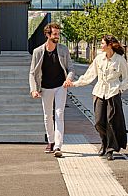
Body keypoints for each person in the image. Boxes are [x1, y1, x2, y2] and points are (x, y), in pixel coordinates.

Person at [66, 35, 128, 161]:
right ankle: (104, 141)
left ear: (109, 45)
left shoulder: (120, 60)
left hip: (113, 94)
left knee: (111, 121)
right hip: (99, 92)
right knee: (98, 122)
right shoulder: (99, 59)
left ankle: (110, 149)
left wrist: (119, 89)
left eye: (102, 43)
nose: (101, 45)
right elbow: (89, 75)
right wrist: (74, 83)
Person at [29, 22, 74, 158]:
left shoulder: (63, 49)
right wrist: (33, 89)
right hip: (45, 87)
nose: (57, 36)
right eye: (55, 34)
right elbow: (32, 73)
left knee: (59, 114)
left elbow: (71, 68)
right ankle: (51, 141)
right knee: (48, 116)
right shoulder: (38, 52)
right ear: (47, 35)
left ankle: (58, 145)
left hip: (61, 86)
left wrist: (69, 79)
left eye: (58, 34)